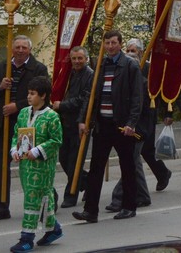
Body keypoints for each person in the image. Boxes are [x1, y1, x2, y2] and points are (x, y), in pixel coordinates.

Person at [73, 30, 144, 224]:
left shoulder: (130, 65)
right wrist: (83, 119)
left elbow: (137, 98)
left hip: (122, 126)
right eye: (107, 43)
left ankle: (129, 206)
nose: (110, 46)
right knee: (96, 168)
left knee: (127, 167)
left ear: (120, 44)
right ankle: (90, 211)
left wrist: (131, 123)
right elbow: (91, 94)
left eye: (114, 43)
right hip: (102, 125)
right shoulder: (100, 65)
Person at [0, 35, 48, 221]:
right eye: (17, 47)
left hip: (26, 126)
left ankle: (46, 200)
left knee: (30, 166)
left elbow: (44, 96)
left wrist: (17, 106)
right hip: (2, 125)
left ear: (29, 49)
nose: (20, 51)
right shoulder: (4, 66)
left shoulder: (38, 68)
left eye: (24, 48)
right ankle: (1, 207)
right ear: (12, 49)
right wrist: (0, 85)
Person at [107, 39, 169, 212]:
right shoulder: (124, 78)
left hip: (140, 125)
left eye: (133, 50)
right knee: (135, 160)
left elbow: (143, 104)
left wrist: (167, 114)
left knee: (131, 161)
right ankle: (142, 195)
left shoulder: (145, 77)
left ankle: (118, 196)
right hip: (127, 125)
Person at [9, 76, 63, 252]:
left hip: (42, 166)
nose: (29, 97)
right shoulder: (24, 112)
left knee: (32, 199)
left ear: (43, 95)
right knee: (41, 198)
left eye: (33, 94)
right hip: (25, 165)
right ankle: (54, 228)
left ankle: (27, 238)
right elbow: (17, 135)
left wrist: (37, 150)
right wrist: (14, 150)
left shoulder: (52, 117)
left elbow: (56, 141)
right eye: (28, 93)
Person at [53, 46, 92, 208]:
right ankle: (89, 182)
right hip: (65, 123)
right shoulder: (69, 74)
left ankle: (71, 195)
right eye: (74, 58)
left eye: (80, 58)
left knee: (74, 162)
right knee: (63, 159)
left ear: (86, 59)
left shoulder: (90, 75)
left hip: (79, 124)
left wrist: (62, 105)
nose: (76, 61)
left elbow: (84, 100)